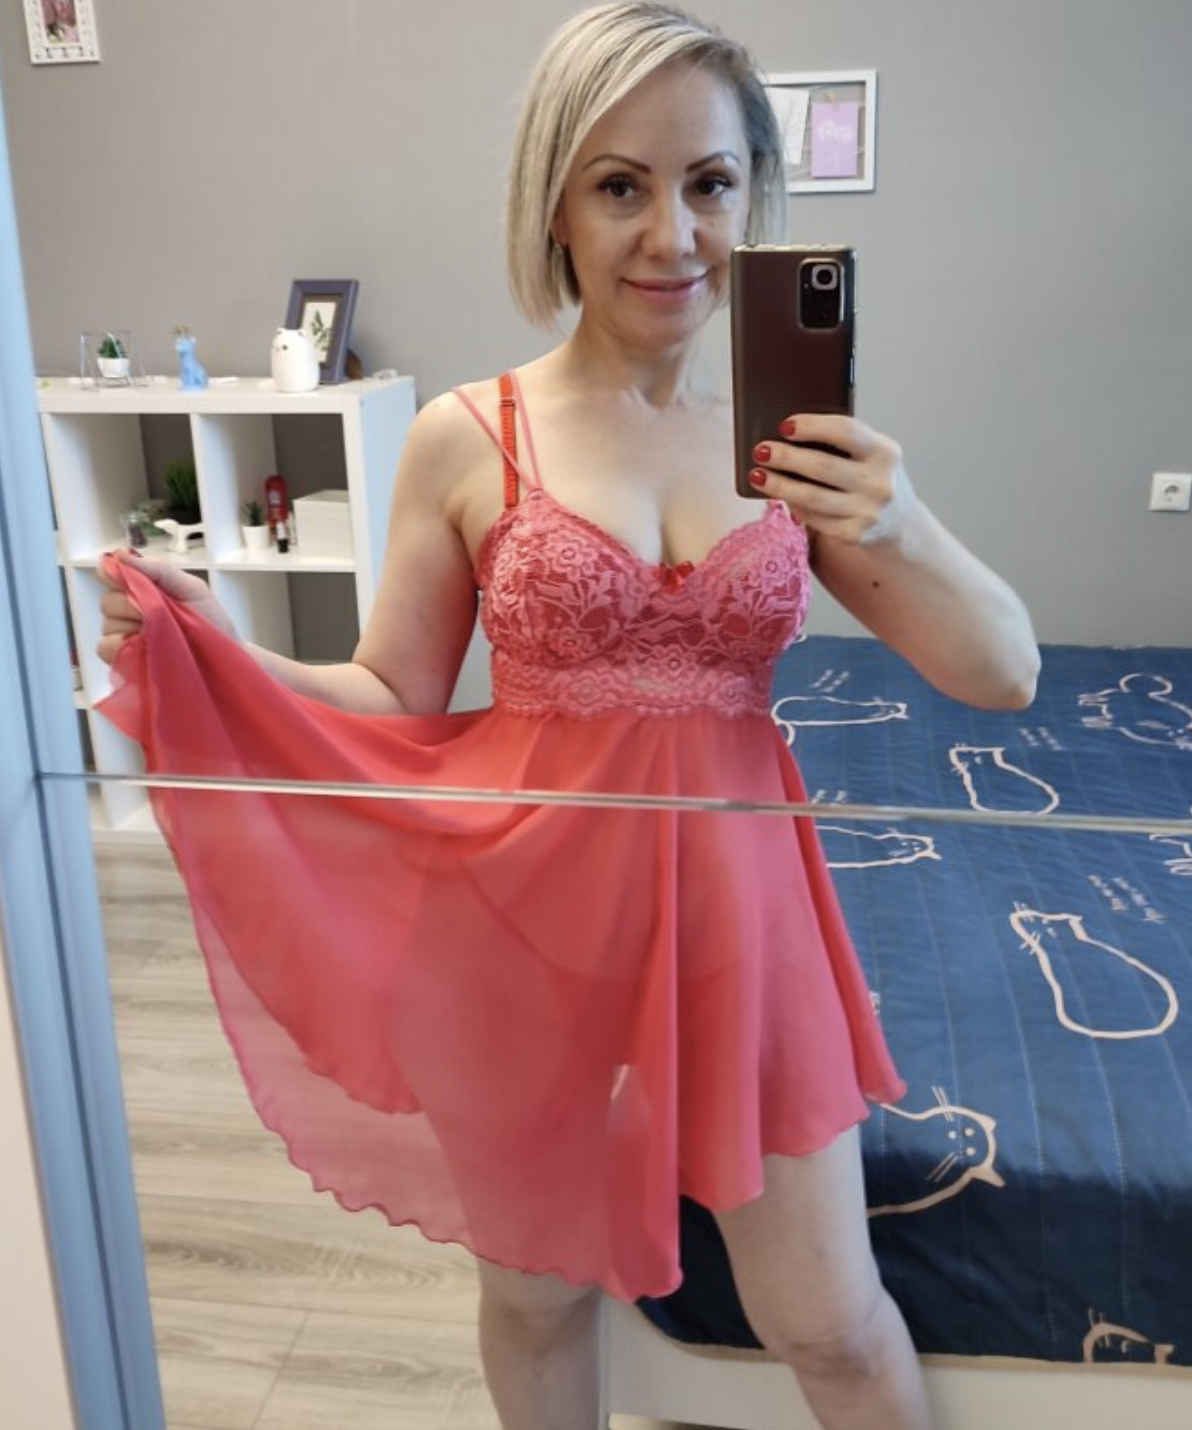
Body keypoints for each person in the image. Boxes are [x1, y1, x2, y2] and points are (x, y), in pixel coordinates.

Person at [98, 5, 1039, 1427]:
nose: (671, 233)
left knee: (832, 1321)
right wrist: (231, 654)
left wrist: (896, 518)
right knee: (538, 1300)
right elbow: (391, 693)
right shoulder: (466, 435)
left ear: (754, 199)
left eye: (709, 183)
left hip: (742, 915)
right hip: (518, 921)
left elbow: (1003, 673)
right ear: (555, 206)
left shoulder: (791, 446)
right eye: (620, 185)